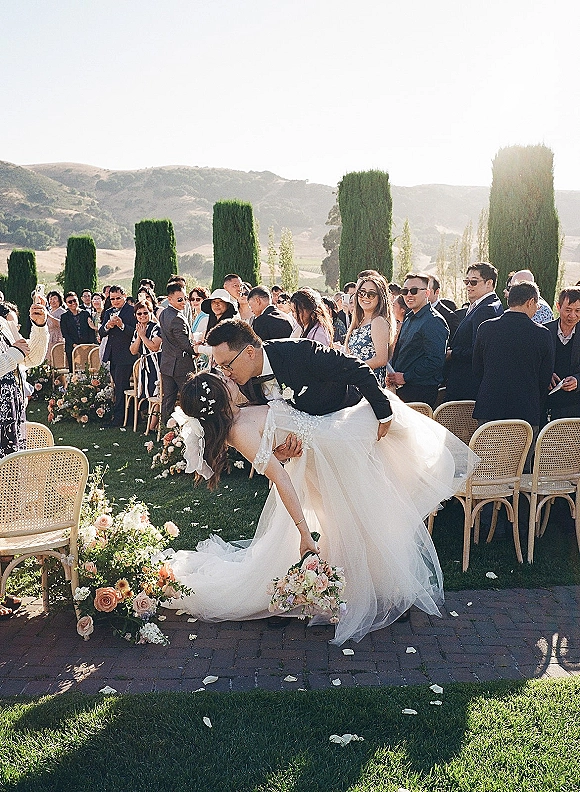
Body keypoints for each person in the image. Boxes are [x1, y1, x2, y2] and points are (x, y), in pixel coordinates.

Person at [165, 369, 475, 645]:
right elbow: (280, 479)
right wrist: (303, 533)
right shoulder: (239, 431)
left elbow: (280, 433)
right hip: (333, 452)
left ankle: (372, 588)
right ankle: (370, 592)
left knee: (356, 518)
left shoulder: (244, 409)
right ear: (218, 399)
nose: (229, 377)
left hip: (328, 442)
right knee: (362, 517)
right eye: (222, 380)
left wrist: (284, 447)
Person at [205, 319, 394, 436]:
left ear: (249, 352)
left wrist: (383, 413)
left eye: (227, 365)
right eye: (221, 368)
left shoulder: (302, 352)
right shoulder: (243, 381)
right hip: (310, 442)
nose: (226, 373)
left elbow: (357, 369)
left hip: (344, 420)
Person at [0, 300, 49, 620]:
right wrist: (16, 351)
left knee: (7, 506)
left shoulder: (6, 329)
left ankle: (1, 591)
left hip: (11, 425)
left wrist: (41, 326)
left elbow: (33, 357)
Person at [472, 282, 554, 434]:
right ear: (531, 302)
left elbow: (477, 369)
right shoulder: (542, 334)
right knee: (521, 458)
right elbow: (544, 378)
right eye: (537, 304)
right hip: (525, 411)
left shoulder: (486, 328)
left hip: (490, 407)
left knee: (487, 456)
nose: (537, 309)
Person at [445, 263, 503, 402]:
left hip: (468, 386)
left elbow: (479, 351)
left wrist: (452, 354)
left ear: (489, 283)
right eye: (467, 281)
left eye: (474, 282)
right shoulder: (483, 306)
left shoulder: (486, 309)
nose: (468, 286)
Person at [388, 273, 448, 408]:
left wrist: (406, 377)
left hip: (420, 391)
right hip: (403, 388)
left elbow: (435, 361)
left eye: (414, 291)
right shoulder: (410, 317)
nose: (409, 295)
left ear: (427, 293)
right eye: (405, 291)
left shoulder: (433, 321)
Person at [99, 286, 137, 427]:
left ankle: (119, 418)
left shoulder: (131, 311)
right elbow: (102, 333)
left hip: (127, 355)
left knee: (121, 387)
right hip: (112, 355)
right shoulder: (108, 312)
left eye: (117, 298)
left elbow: (135, 333)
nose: (115, 301)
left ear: (124, 296)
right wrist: (108, 326)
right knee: (119, 386)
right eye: (112, 298)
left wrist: (121, 326)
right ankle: (130, 416)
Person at [158, 283, 197, 423]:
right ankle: (188, 431)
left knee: (168, 400)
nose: (184, 302)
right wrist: (196, 350)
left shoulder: (163, 314)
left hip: (167, 364)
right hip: (181, 365)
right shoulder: (177, 318)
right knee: (189, 399)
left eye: (185, 298)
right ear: (170, 299)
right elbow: (184, 344)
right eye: (180, 299)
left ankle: (164, 430)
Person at [346, 275, 394, 387]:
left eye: (371, 294)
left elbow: (381, 359)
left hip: (369, 385)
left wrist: (354, 369)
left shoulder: (378, 321)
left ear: (380, 298)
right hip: (356, 382)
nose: (365, 297)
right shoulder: (360, 321)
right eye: (362, 292)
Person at [544, 287, 580, 422]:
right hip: (546, 404)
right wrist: (546, 374)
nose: (573, 316)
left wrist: (577, 380)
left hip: (575, 406)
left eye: (578, 311)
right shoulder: (544, 331)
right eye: (568, 310)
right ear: (558, 307)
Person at [129, 300, 162, 425]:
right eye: (139, 314)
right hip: (144, 363)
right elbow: (133, 350)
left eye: (145, 313)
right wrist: (139, 336)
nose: (142, 316)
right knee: (148, 393)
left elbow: (155, 347)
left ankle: (152, 426)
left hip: (156, 363)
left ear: (150, 312)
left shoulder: (156, 327)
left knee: (156, 393)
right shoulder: (138, 329)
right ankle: (151, 423)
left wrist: (143, 336)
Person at [60, 292, 97, 370]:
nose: (73, 303)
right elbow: (65, 334)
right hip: (72, 347)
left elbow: (90, 330)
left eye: (74, 300)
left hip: (87, 346)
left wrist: (90, 344)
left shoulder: (85, 313)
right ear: (66, 304)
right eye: (70, 302)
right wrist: (74, 345)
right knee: (74, 371)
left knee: (89, 369)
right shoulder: (64, 317)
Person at [45, 290, 65, 360]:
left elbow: (62, 324)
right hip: (48, 338)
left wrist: (49, 316)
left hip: (58, 338)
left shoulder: (62, 312)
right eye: (50, 299)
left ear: (59, 300)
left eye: (54, 298)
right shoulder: (49, 311)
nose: (52, 301)